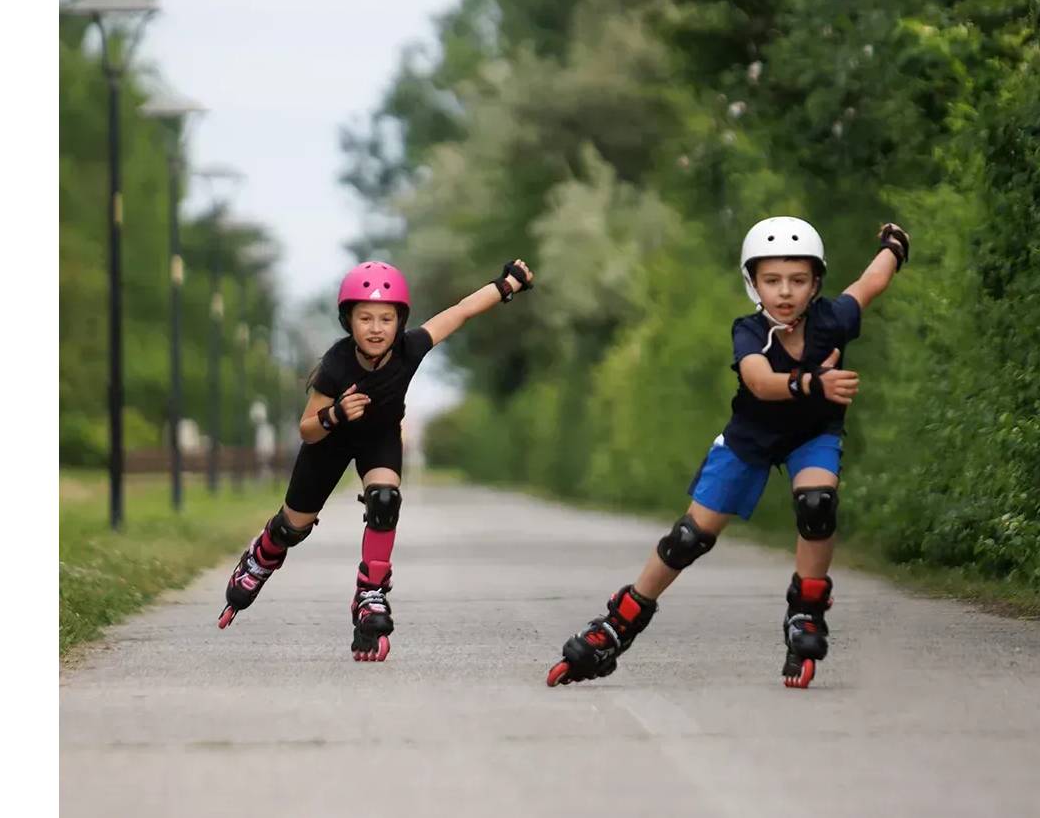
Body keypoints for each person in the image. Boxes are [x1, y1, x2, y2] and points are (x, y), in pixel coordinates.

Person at [546, 216, 909, 688]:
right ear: (753, 283)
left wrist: (894, 247)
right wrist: (810, 381)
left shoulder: (832, 320)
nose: (785, 292)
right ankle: (619, 622)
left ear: (816, 282)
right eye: (772, 280)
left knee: (817, 505)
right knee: (688, 538)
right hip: (748, 440)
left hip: (811, 435)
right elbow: (759, 381)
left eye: (798, 280)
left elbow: (870, 283)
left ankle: (807, 610)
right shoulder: (750, 330)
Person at [217, 258, 536, 663]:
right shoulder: (336, 365)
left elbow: (459, 312)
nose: (375, 328)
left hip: (379, 438)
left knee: (385, 499)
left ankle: (370, 592)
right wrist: (334, 414)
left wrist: (506, 284)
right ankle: (261, 557)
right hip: (328, 442)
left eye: (386, 318)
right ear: (348, 321)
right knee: (293, 528)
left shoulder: (411, 348)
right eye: (364, 318)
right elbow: (306, 429)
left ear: (400, 321)